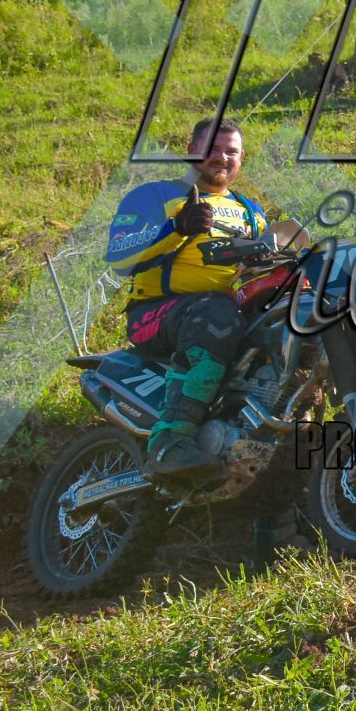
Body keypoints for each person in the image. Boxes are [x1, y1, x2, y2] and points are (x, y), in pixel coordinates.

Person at [105, 118, 268, 480]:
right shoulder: (156, 196)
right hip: (156, 313)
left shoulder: (252, 212)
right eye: (212, 149)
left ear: (242, 157)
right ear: (192, 150)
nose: (222, 157)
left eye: (231, 151)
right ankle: (170, 440)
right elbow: (118, 256)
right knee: (216, 312)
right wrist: (176, 228)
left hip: (227, 315)